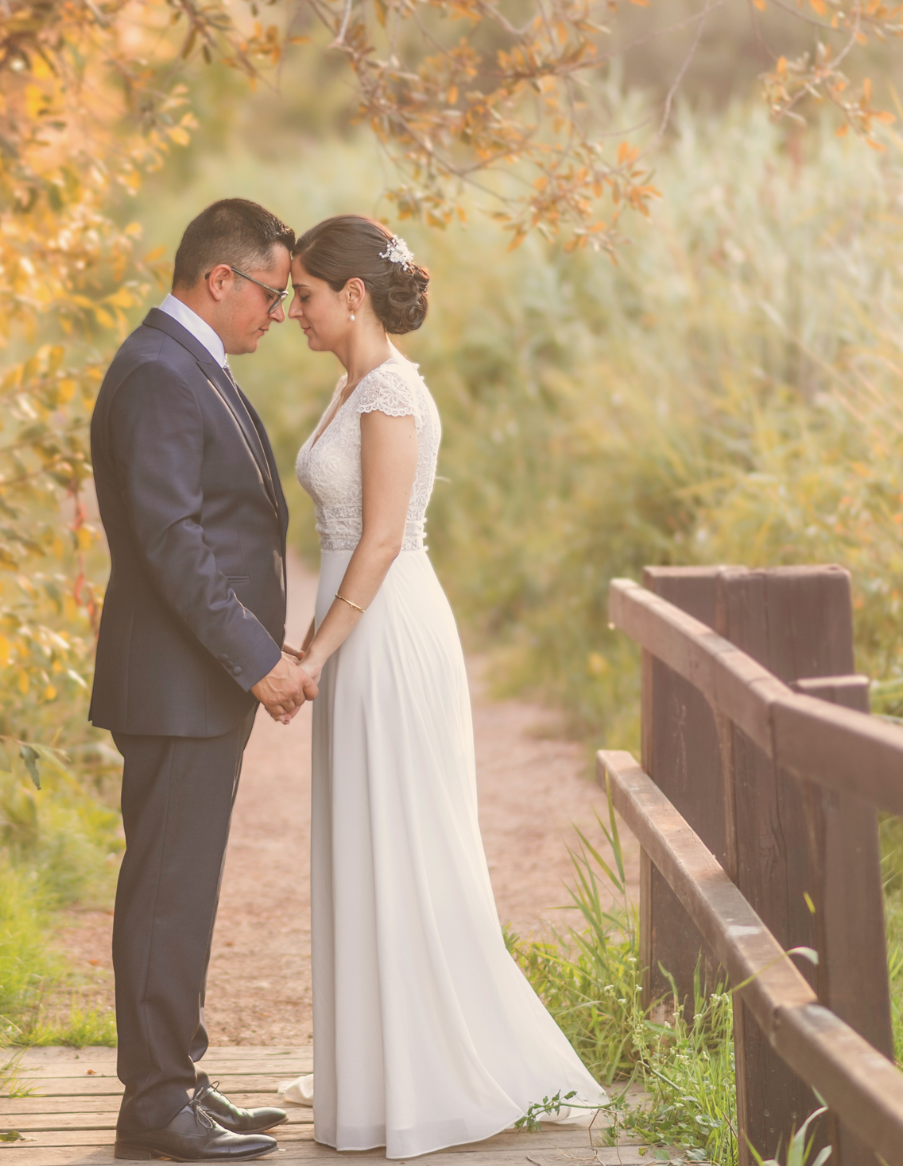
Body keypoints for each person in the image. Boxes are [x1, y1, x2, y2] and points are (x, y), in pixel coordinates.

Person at [277, 214, 611, 1158]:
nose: (293, 310)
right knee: (368, 840)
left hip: (387, 631)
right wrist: (311, 650)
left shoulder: (388, 390)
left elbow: (380, 539)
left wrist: (317, 653)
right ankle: (377, 1068)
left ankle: (430, 1072)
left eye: (303, 294)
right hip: (357, 629)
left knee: (407, 839)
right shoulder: (350, 385)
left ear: (353, 295)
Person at [88, 198, 308, 1162]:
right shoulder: (156, 375)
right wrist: (258, 657)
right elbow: (171, 539)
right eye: (271, 292)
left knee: (185, 884)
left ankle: (179, 1074)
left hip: (193, 685)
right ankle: (154, 1104)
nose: (279, 312)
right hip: (177, 682)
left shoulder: (185, 364)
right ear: (220, 280)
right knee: (167, 890)